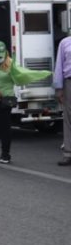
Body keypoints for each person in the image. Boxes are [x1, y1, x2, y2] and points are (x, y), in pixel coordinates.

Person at [54, 31, 71, 166]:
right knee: (68, 118)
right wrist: (59, 88)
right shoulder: (65, 42)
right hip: (69, 82)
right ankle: (68, 154)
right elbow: (59, 66)